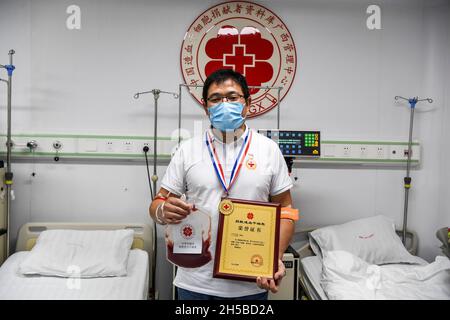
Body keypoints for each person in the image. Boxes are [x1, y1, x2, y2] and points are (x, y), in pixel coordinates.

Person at [149, 69, 296, 300]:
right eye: (216, 99)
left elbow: (286, 211)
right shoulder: (187, 150)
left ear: (247, 103)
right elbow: (158, 202)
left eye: (232, 97)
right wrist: (162, 210)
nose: (224, 103)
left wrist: (273, 257)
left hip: (250, 281)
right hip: (194, 280)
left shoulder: (268, 150)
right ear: (207, 108)